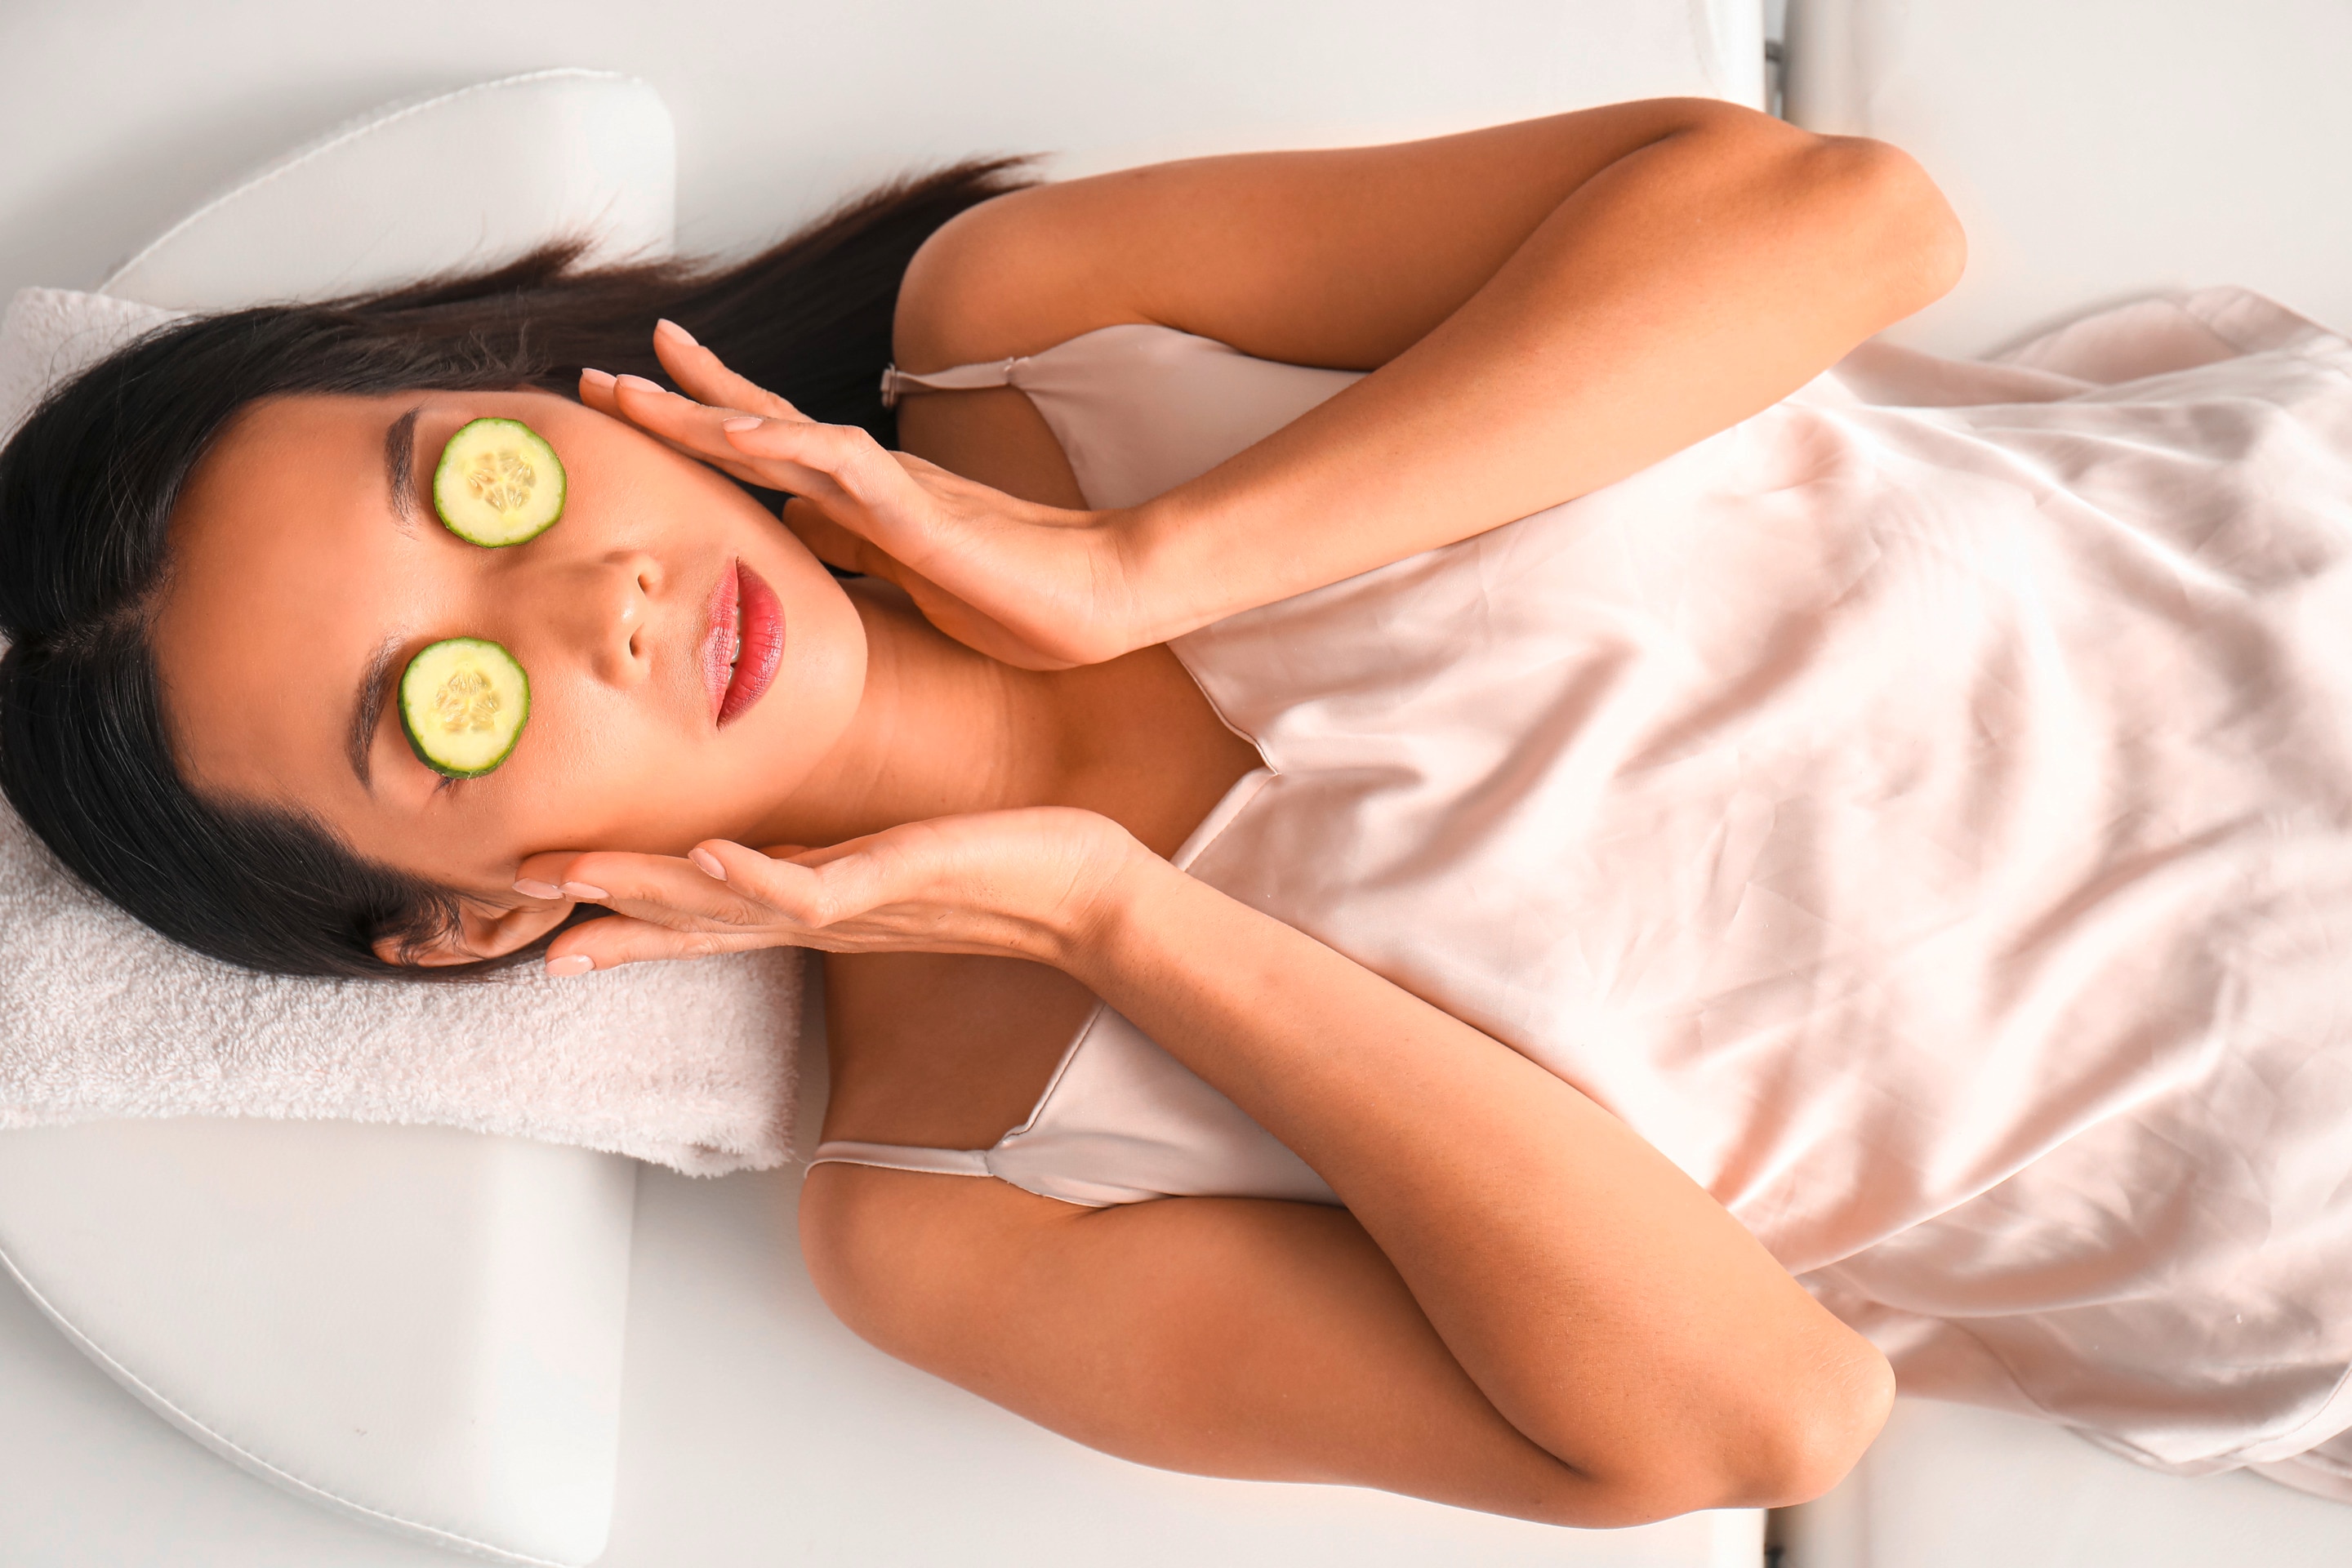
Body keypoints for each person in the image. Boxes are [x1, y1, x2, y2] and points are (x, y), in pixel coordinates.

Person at [10, 96, 2352, 1521]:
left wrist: (1151, 561)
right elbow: (1763, 1420)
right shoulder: (952, 1220)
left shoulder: (1039, 321)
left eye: (484, 479)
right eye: (445, 710)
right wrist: (1123, 931)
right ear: (457, 926)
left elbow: (1846, 222)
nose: (596, 597)